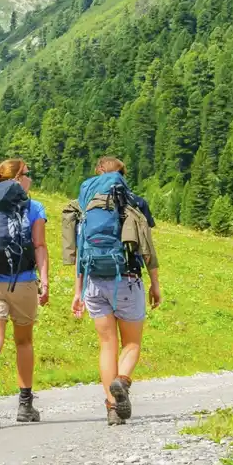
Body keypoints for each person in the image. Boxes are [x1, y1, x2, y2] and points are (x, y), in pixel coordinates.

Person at [67, 156, 161, 425]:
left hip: (94, 283)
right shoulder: (134, 201)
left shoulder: (85, 205)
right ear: (123, 174)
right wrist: (155, 285)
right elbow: (147, 248)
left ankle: (111, 408)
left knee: (107, 345)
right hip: (127, 279)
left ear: (97, 173)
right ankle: (122, 382)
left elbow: (81, 251)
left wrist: (78, 291)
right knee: (131, 343)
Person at [0, 158, 50, 429]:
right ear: (18, 178)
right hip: (23, 281)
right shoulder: (34, 207)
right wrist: (45, 280)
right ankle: (25, 405)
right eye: (28, 174)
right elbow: (39, 245)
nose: (31, 179)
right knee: (24, 342)